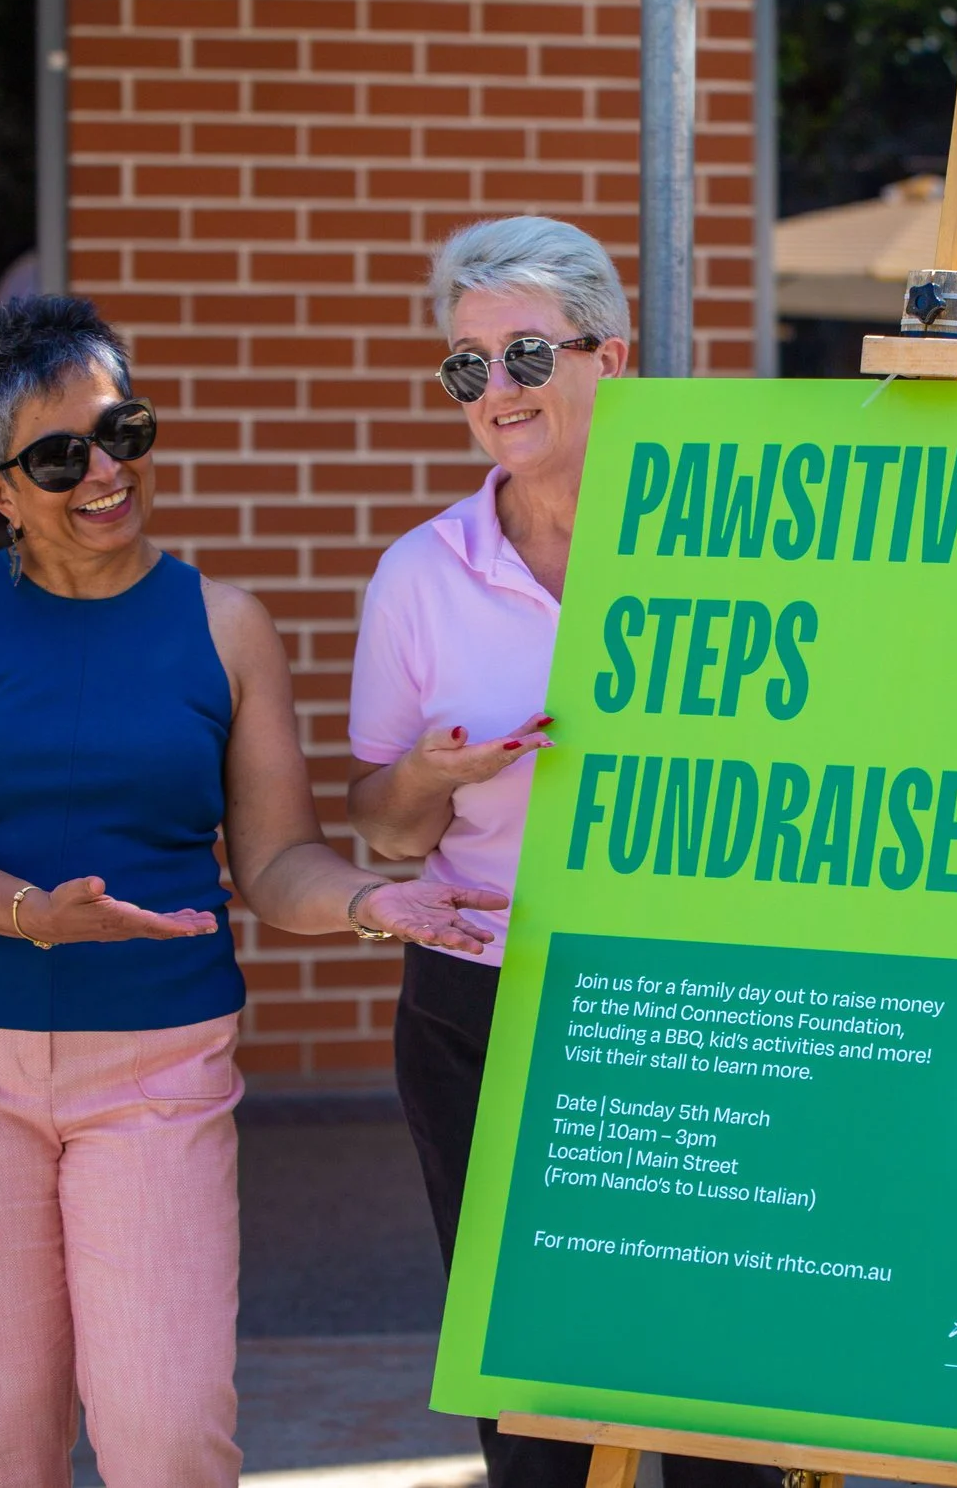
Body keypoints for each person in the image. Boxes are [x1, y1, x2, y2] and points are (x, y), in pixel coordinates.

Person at [0, 295, 505, 1488]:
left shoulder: (227, 624)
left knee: (168, 1433)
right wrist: (27, 912)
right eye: (60, 457)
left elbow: (276, 860)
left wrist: (369, 901)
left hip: (155, 1062)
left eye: (122, 430)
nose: (106, 471)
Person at [348, 217, 776, 1488]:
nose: (498, 390)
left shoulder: (728, 551)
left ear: (613, 359)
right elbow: (379, 825)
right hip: (487, 992)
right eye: (466, 364)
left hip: (696, 995)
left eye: (526, 351)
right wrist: (434, 769)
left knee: (722, 1378)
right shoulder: (419, 574)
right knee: (535, 1389)